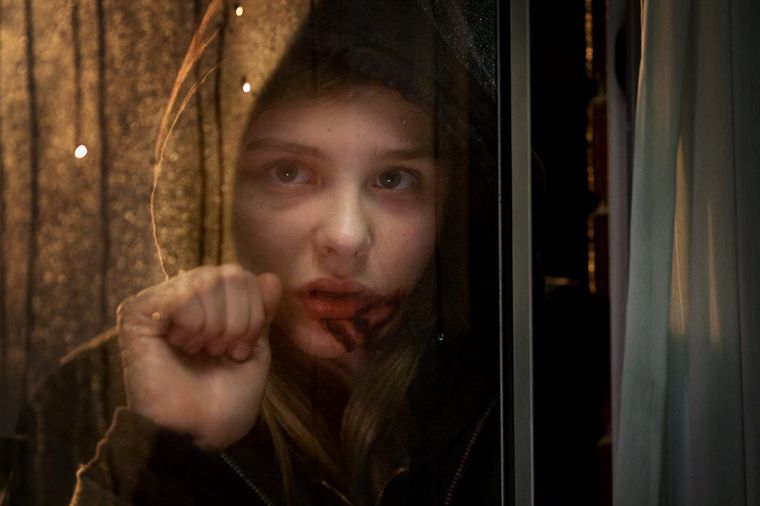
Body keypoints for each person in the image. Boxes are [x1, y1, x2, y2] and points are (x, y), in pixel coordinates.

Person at [1, 0, 501, 504]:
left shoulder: (533, 383)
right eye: (287, 172)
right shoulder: (83, 407)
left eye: (394, 179)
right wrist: (166, 453)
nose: (347, 237)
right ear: (216, 193)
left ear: (456, 205)